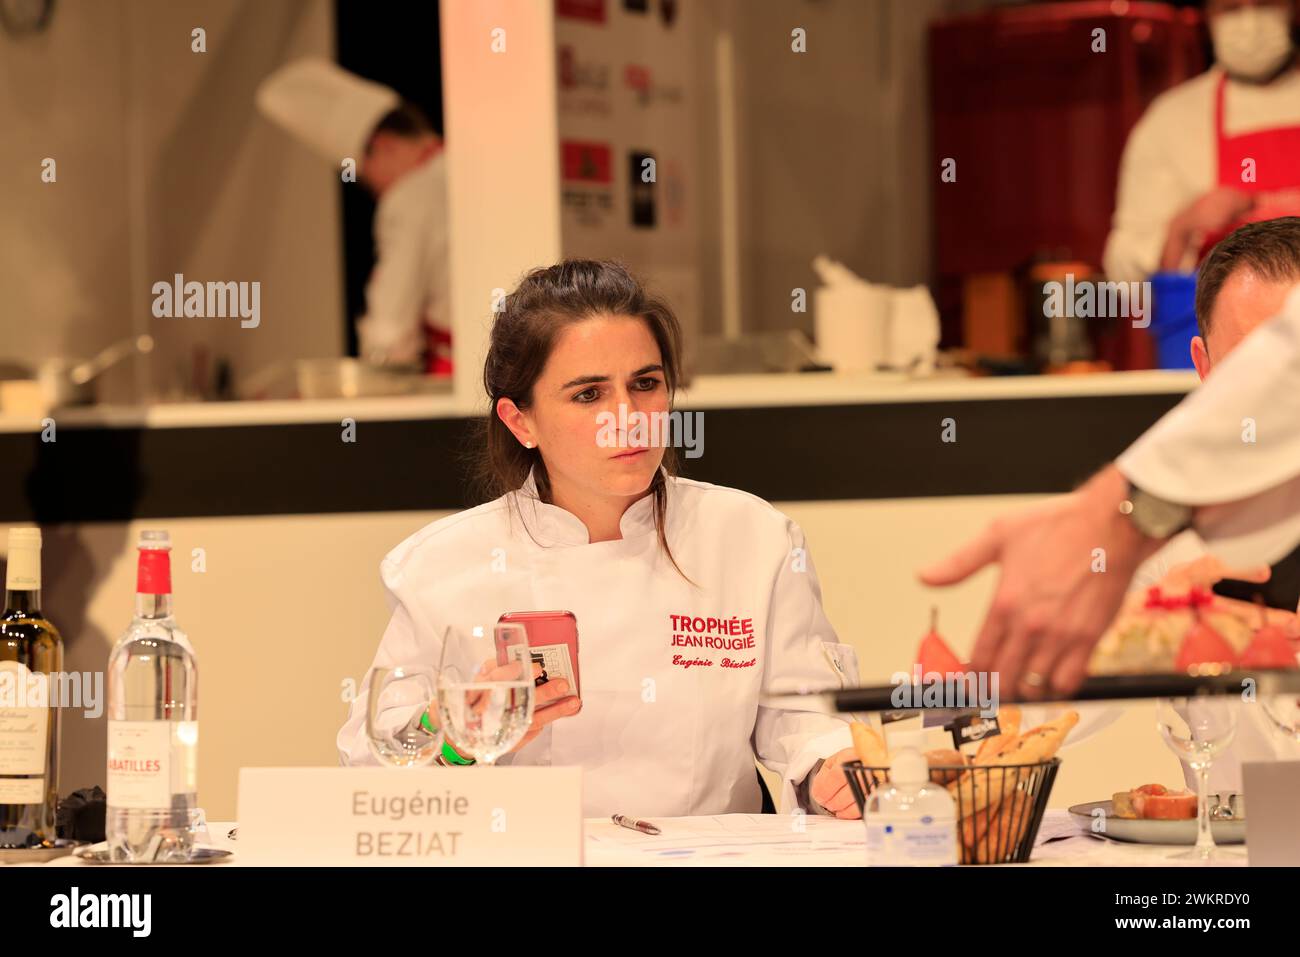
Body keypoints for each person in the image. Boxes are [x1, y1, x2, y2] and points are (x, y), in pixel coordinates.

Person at [338, 260, 865, 819]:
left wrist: (831, 767)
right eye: (588, 395)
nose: (628, 418)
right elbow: (376, 766)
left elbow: (808, 716)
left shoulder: (752, 538)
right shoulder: (439, 568)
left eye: (645, 384)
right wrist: (457, 734)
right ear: (521, 422)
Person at [919, 262, 1300, 699]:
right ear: (1205, 367)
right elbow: (994, 722)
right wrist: (1133, 638)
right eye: (1249, 373)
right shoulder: (1158, 554)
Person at [256, 58, 452, 372]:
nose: (374, 189)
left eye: (363, 173)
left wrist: (378, 368)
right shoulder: (459, 164)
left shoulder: (409, 197)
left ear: (384, 145)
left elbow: (391, 328)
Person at [1104, 0, 1300, 280]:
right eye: (1231, 8)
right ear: (1208, 15)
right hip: (1223, 322)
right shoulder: (1171, 120)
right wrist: (1183, 227)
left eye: (1265, 4)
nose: (1251, 22)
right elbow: (1124, 271)